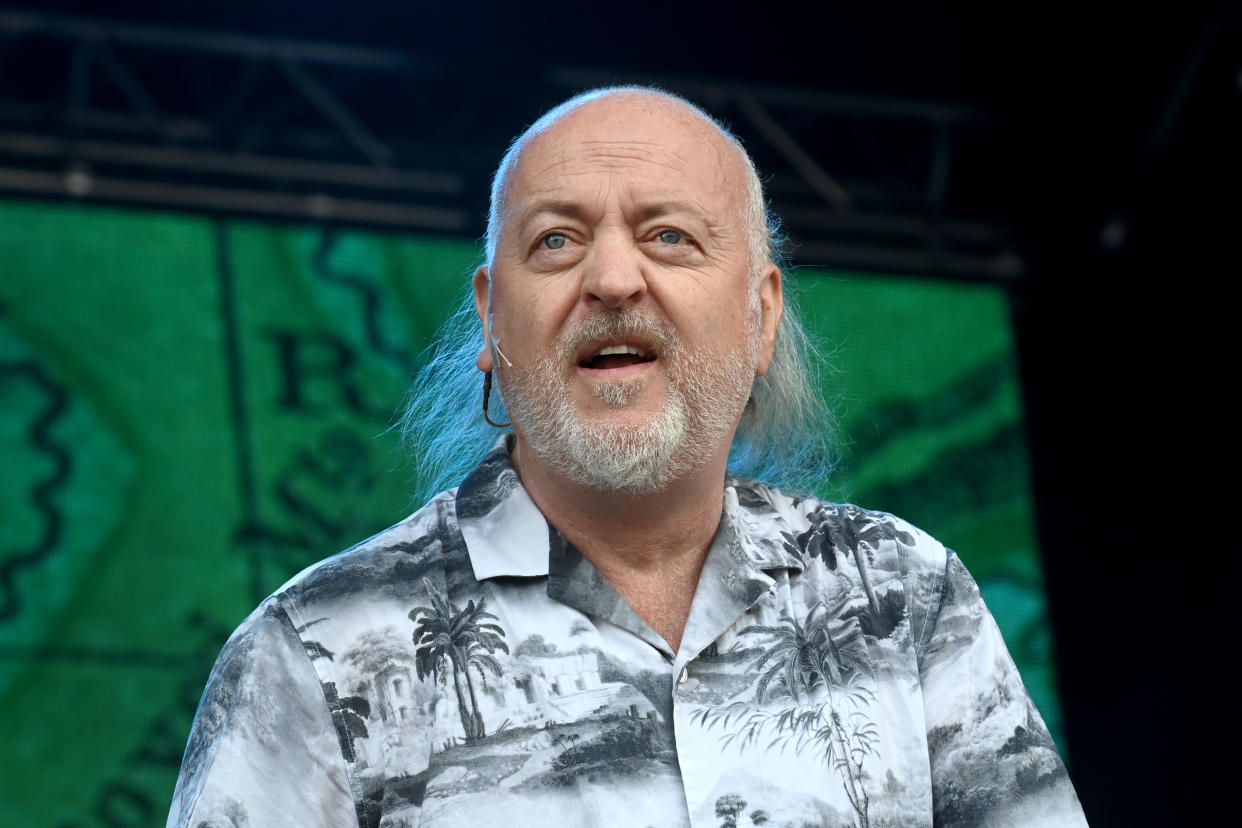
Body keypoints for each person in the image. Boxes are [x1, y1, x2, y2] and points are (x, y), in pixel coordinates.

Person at [167, 87, 1087, 828]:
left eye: (669, 237)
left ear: (760, 314)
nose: (612, 280)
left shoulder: (907, 595)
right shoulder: (313, 649)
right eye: (556, 241)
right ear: (491, 317)